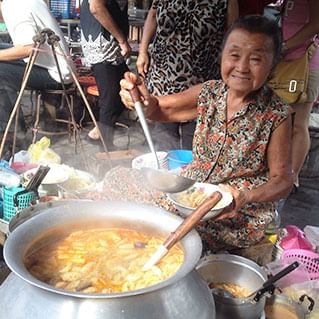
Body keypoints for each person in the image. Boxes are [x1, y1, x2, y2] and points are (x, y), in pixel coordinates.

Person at [118, 15, 294, 254]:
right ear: (222, 56)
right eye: (234, 55)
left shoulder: (277, 113)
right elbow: (159, 108)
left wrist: (245, 196)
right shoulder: (210, 92)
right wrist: (140, 98)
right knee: (118, 180)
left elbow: (282, 181)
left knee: (172, 229)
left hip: (235, 210)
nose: (241, 67)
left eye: (256, 59)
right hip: (190, 190)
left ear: (273, 65)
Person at [135, 0, 239, 150]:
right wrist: (142, 52)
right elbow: (152, 17)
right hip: (164, 77)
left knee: (196, 144)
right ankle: (161, 172)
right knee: (164, 141)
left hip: (202, 79)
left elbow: (233, 33)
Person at [0, 0, 73, 141]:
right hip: (48, 65)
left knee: (1, 72)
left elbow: (28, 48)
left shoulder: (13, 9)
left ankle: (10, 133)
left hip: (56, 74)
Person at [80, 0, 131, 150]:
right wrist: (121, 40)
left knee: (123, 94)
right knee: (110, 99)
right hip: (102, 48)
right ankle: (106, 151)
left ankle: (98, 133)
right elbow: (96, 7)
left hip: (112, 50)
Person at [280, 0, 319, 189]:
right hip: (286, 63)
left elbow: (316, 23)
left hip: (306, 62)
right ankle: (280, 172)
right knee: (281, 121)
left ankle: (292, 177)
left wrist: (284, 46)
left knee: (299, 123)